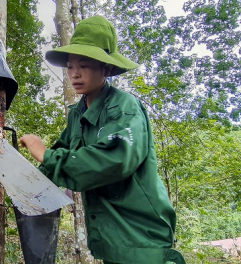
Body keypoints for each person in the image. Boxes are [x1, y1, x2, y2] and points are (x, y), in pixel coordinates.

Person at [19, 16, 186, 264]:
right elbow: (60, 156)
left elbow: (116, 158)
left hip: (139, 235)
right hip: (109, 237)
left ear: (106, 69)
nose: (74, 74)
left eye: (84, 66)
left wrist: (46, 154)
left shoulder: (123, 107)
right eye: (70, 66)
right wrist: (23, 182)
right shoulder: (78, 113)